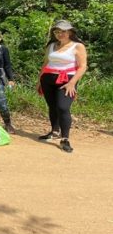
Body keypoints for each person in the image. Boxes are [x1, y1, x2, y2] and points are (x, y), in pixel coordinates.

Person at [37, 20, 87, 153]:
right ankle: (54, 131)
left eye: (63, 31)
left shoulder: (77, 46)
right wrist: (39, 80)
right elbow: (46, 63)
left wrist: (72, 82)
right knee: (52, 106)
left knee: (63, 107)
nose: (60, 34)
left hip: (67, 79)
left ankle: (65, 138)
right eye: (57, 31)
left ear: (70, 32)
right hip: (48, 79)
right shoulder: (52, 45)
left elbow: (82, 66)